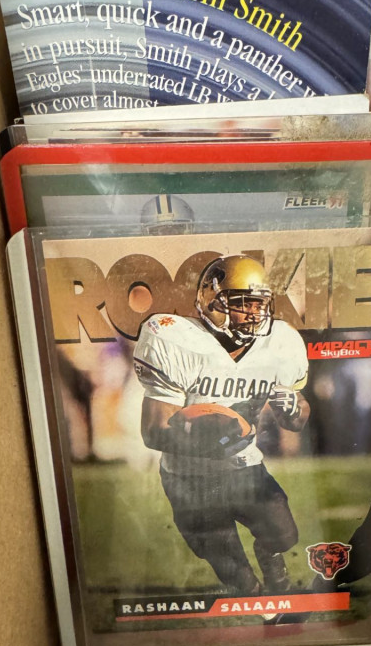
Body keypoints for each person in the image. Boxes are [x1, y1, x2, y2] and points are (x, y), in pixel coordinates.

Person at [132, 254, 310, 594]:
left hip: (244, 466)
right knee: (235, 574)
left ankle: (273, 567)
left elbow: (299, 417)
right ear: (212, 301)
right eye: (242, 303)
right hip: (189, 477)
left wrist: (293, 409)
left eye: (259, 304)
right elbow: (153, 431)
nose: (254, 313)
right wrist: (207, 439)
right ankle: (265, 610)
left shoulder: (280, 343)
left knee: (284, 536)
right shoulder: (176, 339)